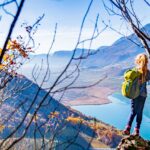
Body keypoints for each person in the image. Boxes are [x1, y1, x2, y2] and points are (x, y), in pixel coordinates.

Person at [123, 53, 150, 136]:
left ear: (138, 61)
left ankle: (127, 128)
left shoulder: (135, 71)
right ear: (146, 62)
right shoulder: (148, 72)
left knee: (133, 111)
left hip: (134, 94)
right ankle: (137, 130)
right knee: (140, 112)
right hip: (143, 95)